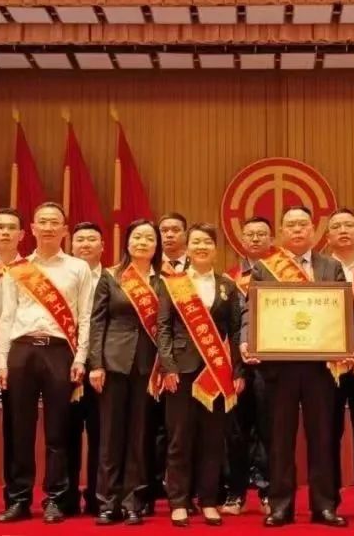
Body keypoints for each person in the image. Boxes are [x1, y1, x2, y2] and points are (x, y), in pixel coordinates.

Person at [240, 205, 354, 528]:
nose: (297, 230)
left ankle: (324, 505)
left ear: (313, 230)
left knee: (322, 437)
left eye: (302, 224)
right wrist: (245, 340)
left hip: (321, 367)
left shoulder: (330, 266)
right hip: (278, 367)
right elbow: (250, 310)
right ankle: (281, 506)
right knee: (279, 439)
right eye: (290, 225)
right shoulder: (265, 267)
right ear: (282, 232)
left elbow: (347, 311)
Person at [0, 202, 94, 524]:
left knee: (59, 430)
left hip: (59, 350)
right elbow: (6, 317)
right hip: (22, 349)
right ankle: (18, 499)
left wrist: (80, 357)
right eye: (43, 222)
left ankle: (56, 498)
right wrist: (2, 362)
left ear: (65, 230)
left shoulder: (78, 268)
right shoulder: (18, 268)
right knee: (19, 429)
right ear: (33, 229)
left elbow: (85, 317)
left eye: (55, 222)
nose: (49, 227)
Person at [157, 223, 244, 527]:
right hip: (181, 370)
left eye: (207, 242)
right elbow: (163, 328)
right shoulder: (173, 284)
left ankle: (208, 501)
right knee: (179, 438)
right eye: (196, 242)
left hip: (216, 372)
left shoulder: (227, 285)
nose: (202, 246)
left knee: (212, 439)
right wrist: (168, 367)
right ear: (187, 248)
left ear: (215, 249)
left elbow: (235, 331)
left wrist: (238, 370)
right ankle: (179, 501)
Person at [89, 219, 163, 525]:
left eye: (149, 238)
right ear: (127, 243)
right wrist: (96, 364)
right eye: (137, 237)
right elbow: (97, 322)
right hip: (114, 362)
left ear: (157, 246)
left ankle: (135, 501)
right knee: (110, 435)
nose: (142, 242)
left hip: (148, 365)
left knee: (140, 435)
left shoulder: (165, 280)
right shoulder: (111, 276)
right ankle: (108, 502)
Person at [222, 216, 273, 516]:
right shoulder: (228, 279)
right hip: (237, 366)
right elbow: (228, 328)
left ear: (271, 239)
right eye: (250, 234)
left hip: (271, 365)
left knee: (269, 430)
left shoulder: (280, 273)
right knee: (235, 432)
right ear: (240, 240)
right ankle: (235, 493)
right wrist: (236, 367)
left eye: (261, 234)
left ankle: (268, 491)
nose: (255, 239)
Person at [326, 208, 354, 517]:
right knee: (329, 433)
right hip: (328, 364)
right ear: (328, 236)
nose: (343, 230)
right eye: (336, 226)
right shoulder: (317, 269)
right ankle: (329, 500)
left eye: (348, 225)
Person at [0, 207, 28, 511]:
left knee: (17, 425)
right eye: (0, 227)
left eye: (12, 227)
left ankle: (16, 496)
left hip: (19, 356)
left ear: (22, 234)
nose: (6, 232)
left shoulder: (33, 270)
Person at [149, 212, 188, 512]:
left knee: (182, 430)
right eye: (164, 230)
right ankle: (150, 488)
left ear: (185, 234)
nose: (170, 235)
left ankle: (185, 490)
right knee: (152, 427)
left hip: (183, 361)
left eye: (176, 230)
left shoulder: (197, 269)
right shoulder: (146, 269)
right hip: (146, 358)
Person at [67, 221, 106, 516]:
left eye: (92, 239)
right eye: (80, 239)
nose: (85, 244)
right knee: (66, 433)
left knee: (100, 434)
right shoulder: (61, 277)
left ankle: (97, 495)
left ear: (103, 246)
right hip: (67, 365)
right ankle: (66, 497)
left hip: (102, 368)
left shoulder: (115, 278)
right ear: (71, 245)